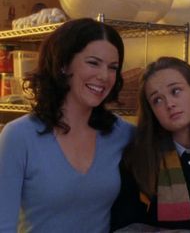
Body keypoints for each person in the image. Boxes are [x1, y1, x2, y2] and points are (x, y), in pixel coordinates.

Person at [0, 18, 136, 233]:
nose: (104, 76)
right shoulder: (18, 136)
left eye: (113, 68)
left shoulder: (123, 134)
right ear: (63, 64)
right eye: (93, 62)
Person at [114, 56, 190, 233]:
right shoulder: (137, 161)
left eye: (176, 91)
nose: (169, 104)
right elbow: (122, 226)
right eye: (157, 100)